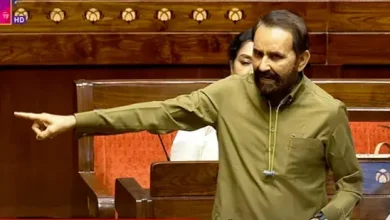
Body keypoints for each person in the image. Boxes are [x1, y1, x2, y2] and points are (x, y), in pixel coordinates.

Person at [14, 10, 362, 220]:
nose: (263, 66)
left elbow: (352, 183)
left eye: (276, 56)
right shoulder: (228, 93)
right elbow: (157, 114)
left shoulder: (328, 112)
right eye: (257, 54)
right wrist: (75, 121)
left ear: (302, 60)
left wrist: (325, 216)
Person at [170, 28, 254, 161]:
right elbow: (180, 174)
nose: (252, 71)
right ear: (232, 67)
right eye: (245, 62)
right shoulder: (203, 111)